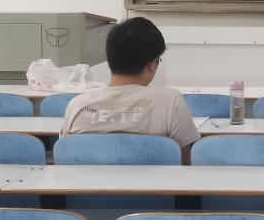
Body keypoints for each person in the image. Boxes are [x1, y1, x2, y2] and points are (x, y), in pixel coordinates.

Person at [60, 16, 200, 164]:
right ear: (152, 64)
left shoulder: (77, 105)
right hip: (154, 179)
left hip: (90, 179)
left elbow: (65, 157)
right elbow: (184, 162)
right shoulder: (171, 102)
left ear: (110, 58)